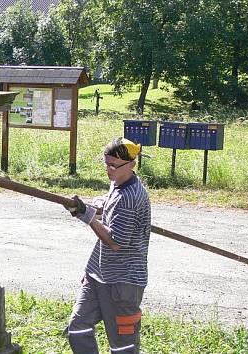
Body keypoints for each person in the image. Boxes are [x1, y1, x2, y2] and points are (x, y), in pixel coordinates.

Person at [64, 137, 151, 354]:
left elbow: (114, 242)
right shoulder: (119, 184)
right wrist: (97, 205)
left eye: (113, 165)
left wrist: (88, 216)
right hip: (98, 275)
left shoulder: (131, 197)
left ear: (131, 164)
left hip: (123, 282)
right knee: (77, 328)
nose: (108, 169)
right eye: (106, 163)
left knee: (123, 346)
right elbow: (110, 200)